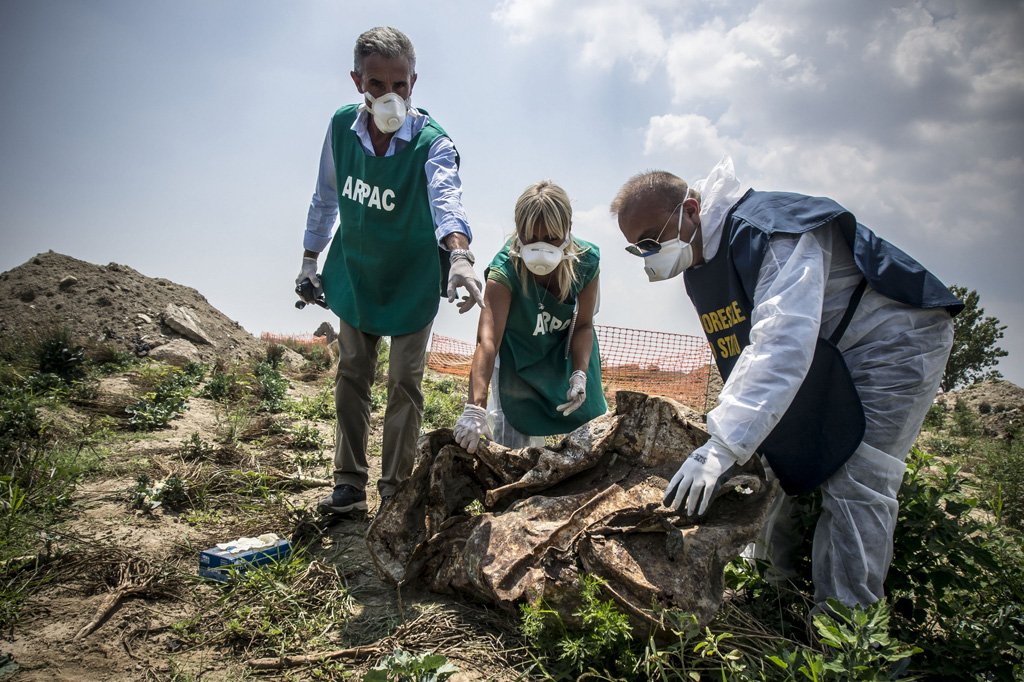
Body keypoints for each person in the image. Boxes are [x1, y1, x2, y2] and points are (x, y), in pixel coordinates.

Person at [610, 157, 962, 610]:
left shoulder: (770, 231)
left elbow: (782, 339)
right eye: (637, 248)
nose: (648, 255)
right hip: (823, 348)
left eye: (651, 241)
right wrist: (742, 438)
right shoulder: (702, 260)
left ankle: (847, 633)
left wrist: (721, 445)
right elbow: (744, 351)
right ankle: (773, 594)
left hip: (892, 340)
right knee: (775, 459)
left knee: (860, 475)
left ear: (692, 210)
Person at [297, 26, 485, 516]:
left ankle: (396, 491)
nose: (389, 96)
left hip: (411, 280)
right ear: (357, 80)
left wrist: (460, 256)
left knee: (405, 379)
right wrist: (309, 261)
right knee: (352, 375)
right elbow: (326, 197)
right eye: (376, 85)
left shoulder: (432, 144)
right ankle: (349, 485)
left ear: (414, 83)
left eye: (399, 85)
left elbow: (448, 202)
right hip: (357, 274)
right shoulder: (342, 128)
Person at [453, 181, 607, 453]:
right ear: (519, 231)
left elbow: (583, 325)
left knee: (589, 446)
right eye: (530, 238)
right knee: (514, 450)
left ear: (567, 230)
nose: (540, 249)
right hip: (520, 362)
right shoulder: (505, 270)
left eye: (551, 239)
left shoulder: (586, 262)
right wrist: (474, 408)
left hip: (567, 354)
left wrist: (580, 374)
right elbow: (487, 342)